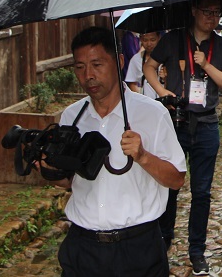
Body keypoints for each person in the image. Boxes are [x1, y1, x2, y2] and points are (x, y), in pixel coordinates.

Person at [54, 27, 186, 277]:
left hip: (138, 248)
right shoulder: (72, 117)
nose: (88, 76)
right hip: (82, 247)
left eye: (97, 64)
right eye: (80, 67)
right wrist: (49, 169)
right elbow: (67, 180)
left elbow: (176, 178)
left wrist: (143, 156)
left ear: (120, 61)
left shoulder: (152, 114)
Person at [143, 0, 222, 276]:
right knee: (168, 185)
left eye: (216, 12)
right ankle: (164, 241)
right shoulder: (173, 40)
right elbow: (150, 67)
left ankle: (197, 251)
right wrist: (163, 92)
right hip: (175, 122)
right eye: (207, 12)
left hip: (207, 125)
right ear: (194, 11)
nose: (212, 17)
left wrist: (206, 65)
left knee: (202, 192)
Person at [124, 31, 162, 99]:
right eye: (145, 40)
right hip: (146, 101)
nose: (149, 43)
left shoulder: (167, 58)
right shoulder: (135, 59)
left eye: (152, 40)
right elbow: (132, 83)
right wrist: (140, 99)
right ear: (141, 39)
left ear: (159, 38)